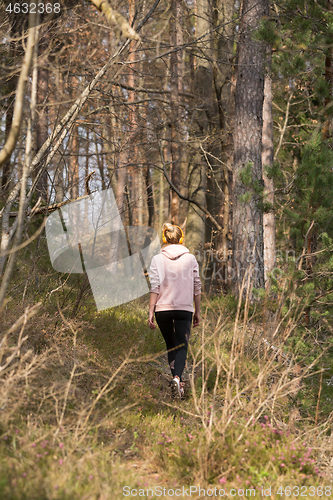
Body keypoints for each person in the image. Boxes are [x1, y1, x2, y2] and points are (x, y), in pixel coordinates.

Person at [148, 223, 201, 399]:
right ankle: (178, 378)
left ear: (165, 238)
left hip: (162, 310)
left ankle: (176, 383)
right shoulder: (191, 258)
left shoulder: (156, 259)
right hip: (184, 310)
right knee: (181, 345)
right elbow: (197, 287)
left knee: (171, 344)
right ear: (181, 238)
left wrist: (150, 312)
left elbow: (154, 287)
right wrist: (198, 311)